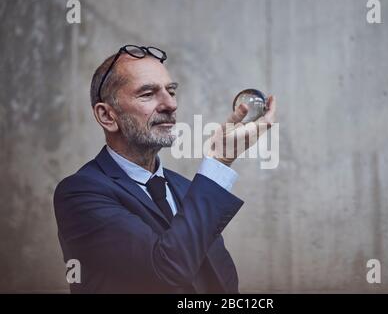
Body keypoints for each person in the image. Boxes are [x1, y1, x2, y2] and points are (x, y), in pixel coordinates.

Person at [53, 45, 276, 293]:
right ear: (107, 116)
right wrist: (220, 160)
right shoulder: (80, 193)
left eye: (171, 91)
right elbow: (166, 271)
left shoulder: (187, 188)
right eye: (148, 94)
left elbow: (221, 282)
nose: (170, 104)